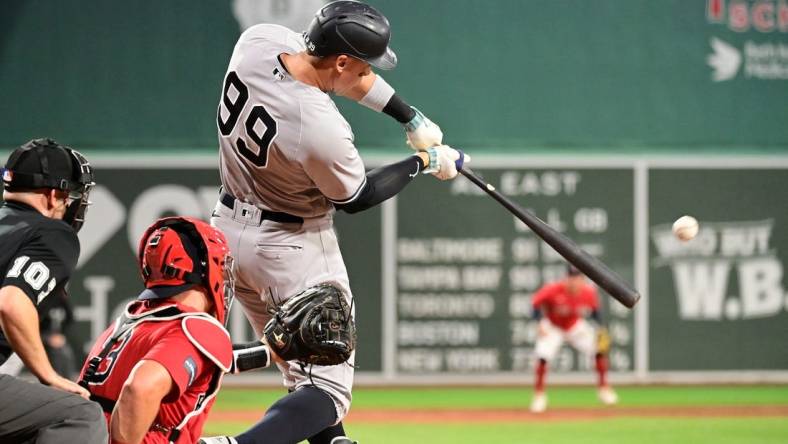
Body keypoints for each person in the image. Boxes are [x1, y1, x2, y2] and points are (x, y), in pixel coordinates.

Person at [206, 1, 468, 443]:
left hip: (229, 235)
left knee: (304, 378)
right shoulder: (319, 125)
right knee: (325, 390)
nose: (368, 75)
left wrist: (409, 115)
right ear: (343, 60)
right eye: (363, 66)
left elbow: (337, 76)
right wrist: (423, 160)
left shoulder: (257, 42)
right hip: (291, 248)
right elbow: (356, 196)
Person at [79, 217, 238, 443]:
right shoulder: (199, 327)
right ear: (206, 269)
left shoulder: (132, 317)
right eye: (220, 265)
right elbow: (139, 388)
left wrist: (269, 351)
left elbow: (183, 357)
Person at [0, 138, 107, 443]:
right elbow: (11, 303)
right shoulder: (51, 232)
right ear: (51, 195)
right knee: (80, 415)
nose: (70, 203)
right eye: (68, 195)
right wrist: (48, 375)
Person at [529, 265, 618, 413]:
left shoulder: (588, 292)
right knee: (542, 356)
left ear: (582, 280)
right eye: (571, 278)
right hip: (553, 325)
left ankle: (604, 389)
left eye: (577, 278)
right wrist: (539, 324)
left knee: (599, 349)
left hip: (574, 325)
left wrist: (601, 328)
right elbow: (535, 304)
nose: (574, 281)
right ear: (566, 278)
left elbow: (596, 312)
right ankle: (539, 396)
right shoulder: (553, 289)